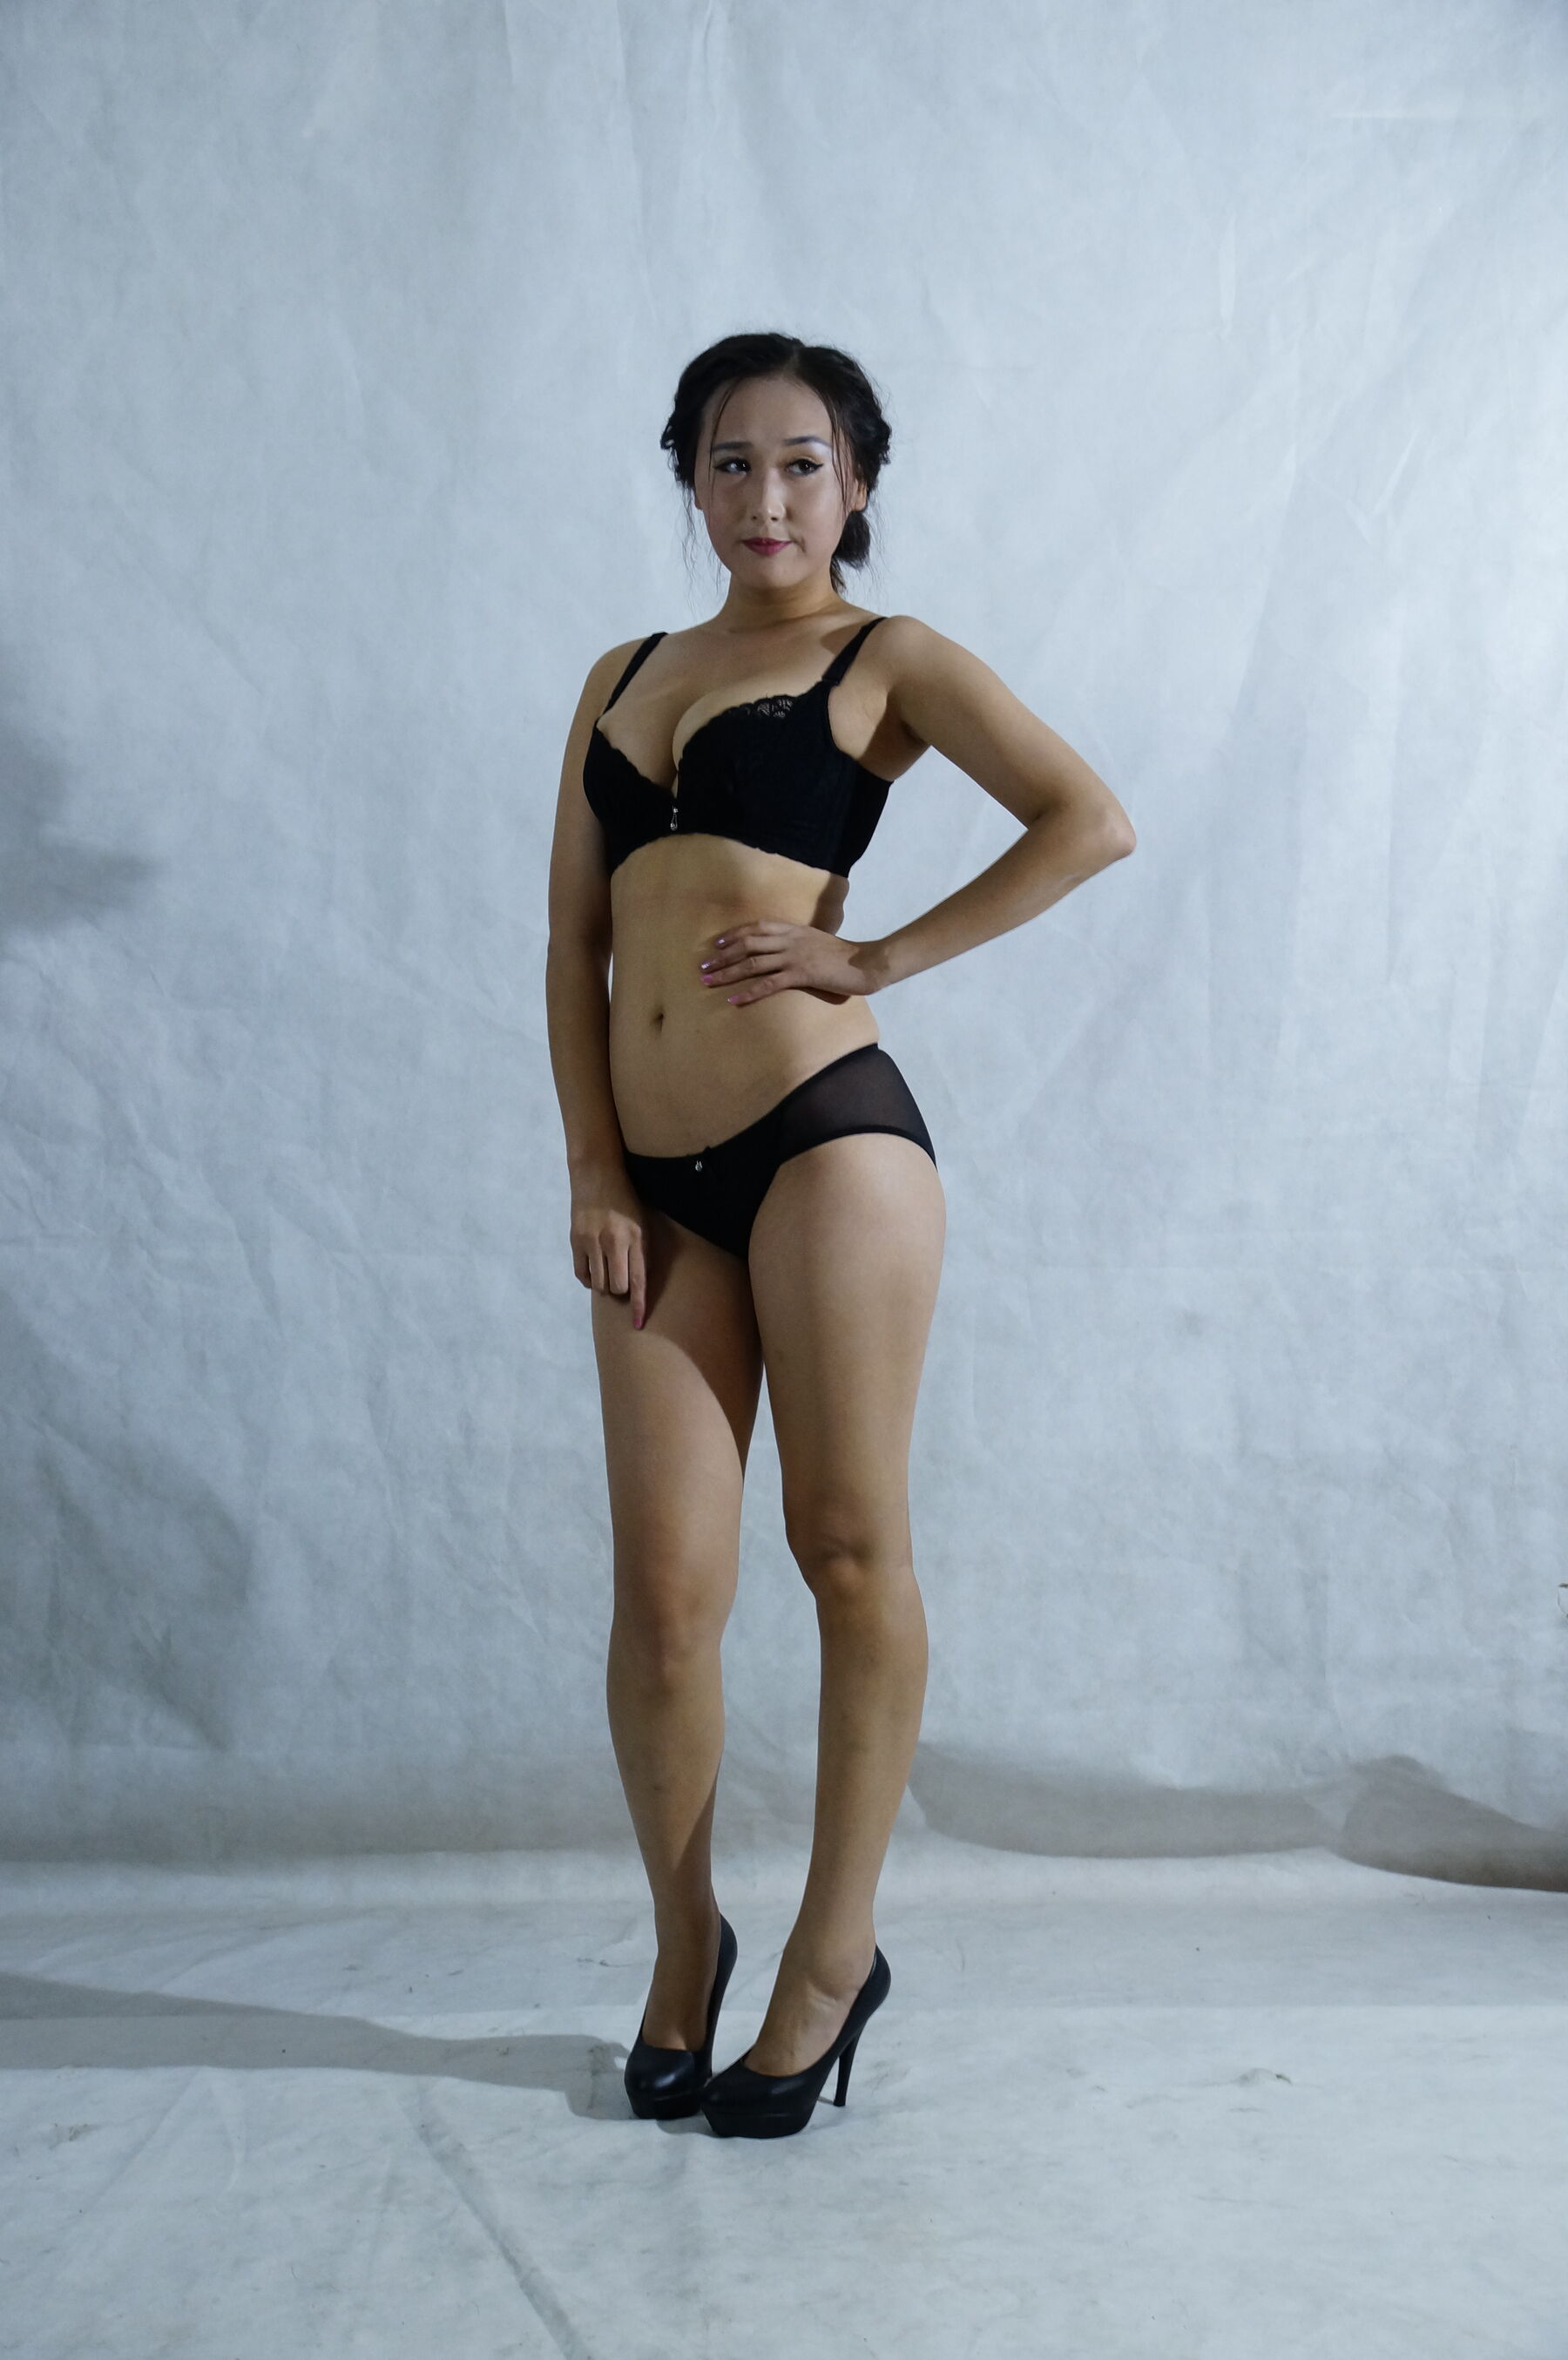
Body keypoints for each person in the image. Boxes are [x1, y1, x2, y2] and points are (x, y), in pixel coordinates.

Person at [545, 332, 1136, 2138]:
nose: (768, 497)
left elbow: (1087, 820)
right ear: (691, 478)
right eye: (732, 462)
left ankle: (830, 1955)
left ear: (857, 483)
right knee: (664, 1604)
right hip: (654, 1186)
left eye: (804, 463)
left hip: (826, 1144)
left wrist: (876, 954)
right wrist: (593, 1166)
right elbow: (575, 945)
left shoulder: (886, 660)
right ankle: (685, 1945)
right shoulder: (620, 676)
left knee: (847, 1545)